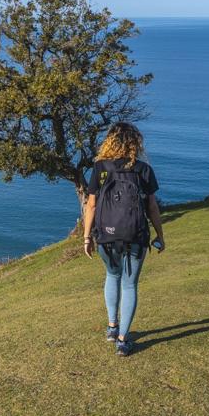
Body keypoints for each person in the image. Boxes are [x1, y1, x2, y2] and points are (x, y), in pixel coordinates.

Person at [83, 122, 165, 357]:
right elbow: (152, 207)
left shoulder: (100, 168)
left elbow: (91, 205)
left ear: (110, 141)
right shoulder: (144, 170)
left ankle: (111, 327)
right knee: (129, 285)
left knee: (112, 275)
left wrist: (87, 237)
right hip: (136, 236)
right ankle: (122, 340)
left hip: (106, 237)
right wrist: (160, 235)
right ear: (135, 143)